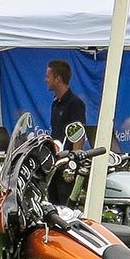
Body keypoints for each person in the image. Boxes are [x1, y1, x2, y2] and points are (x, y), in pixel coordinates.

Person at [46, 60, 87, 203]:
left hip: (66, 168)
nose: (46, 80)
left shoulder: (75, 103)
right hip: (54, 164)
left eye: (48, 76)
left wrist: (72, 165)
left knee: (66, 205)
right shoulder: (54, 103)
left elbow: (78, 135)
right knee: (52, 203)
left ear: (57, 79)